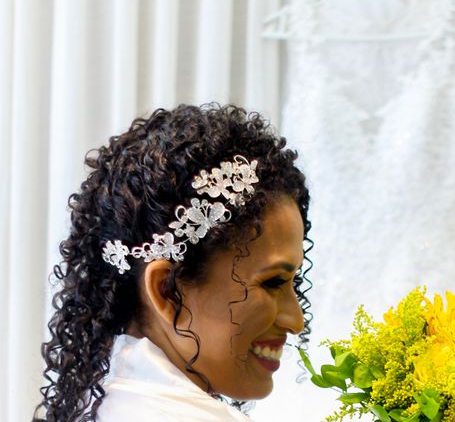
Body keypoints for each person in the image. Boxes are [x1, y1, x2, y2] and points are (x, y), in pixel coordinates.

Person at [33, 104, 313, 422]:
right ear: (166, 289)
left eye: (295, 282)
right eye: (273, 282)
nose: (296, 320)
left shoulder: (106, 400)